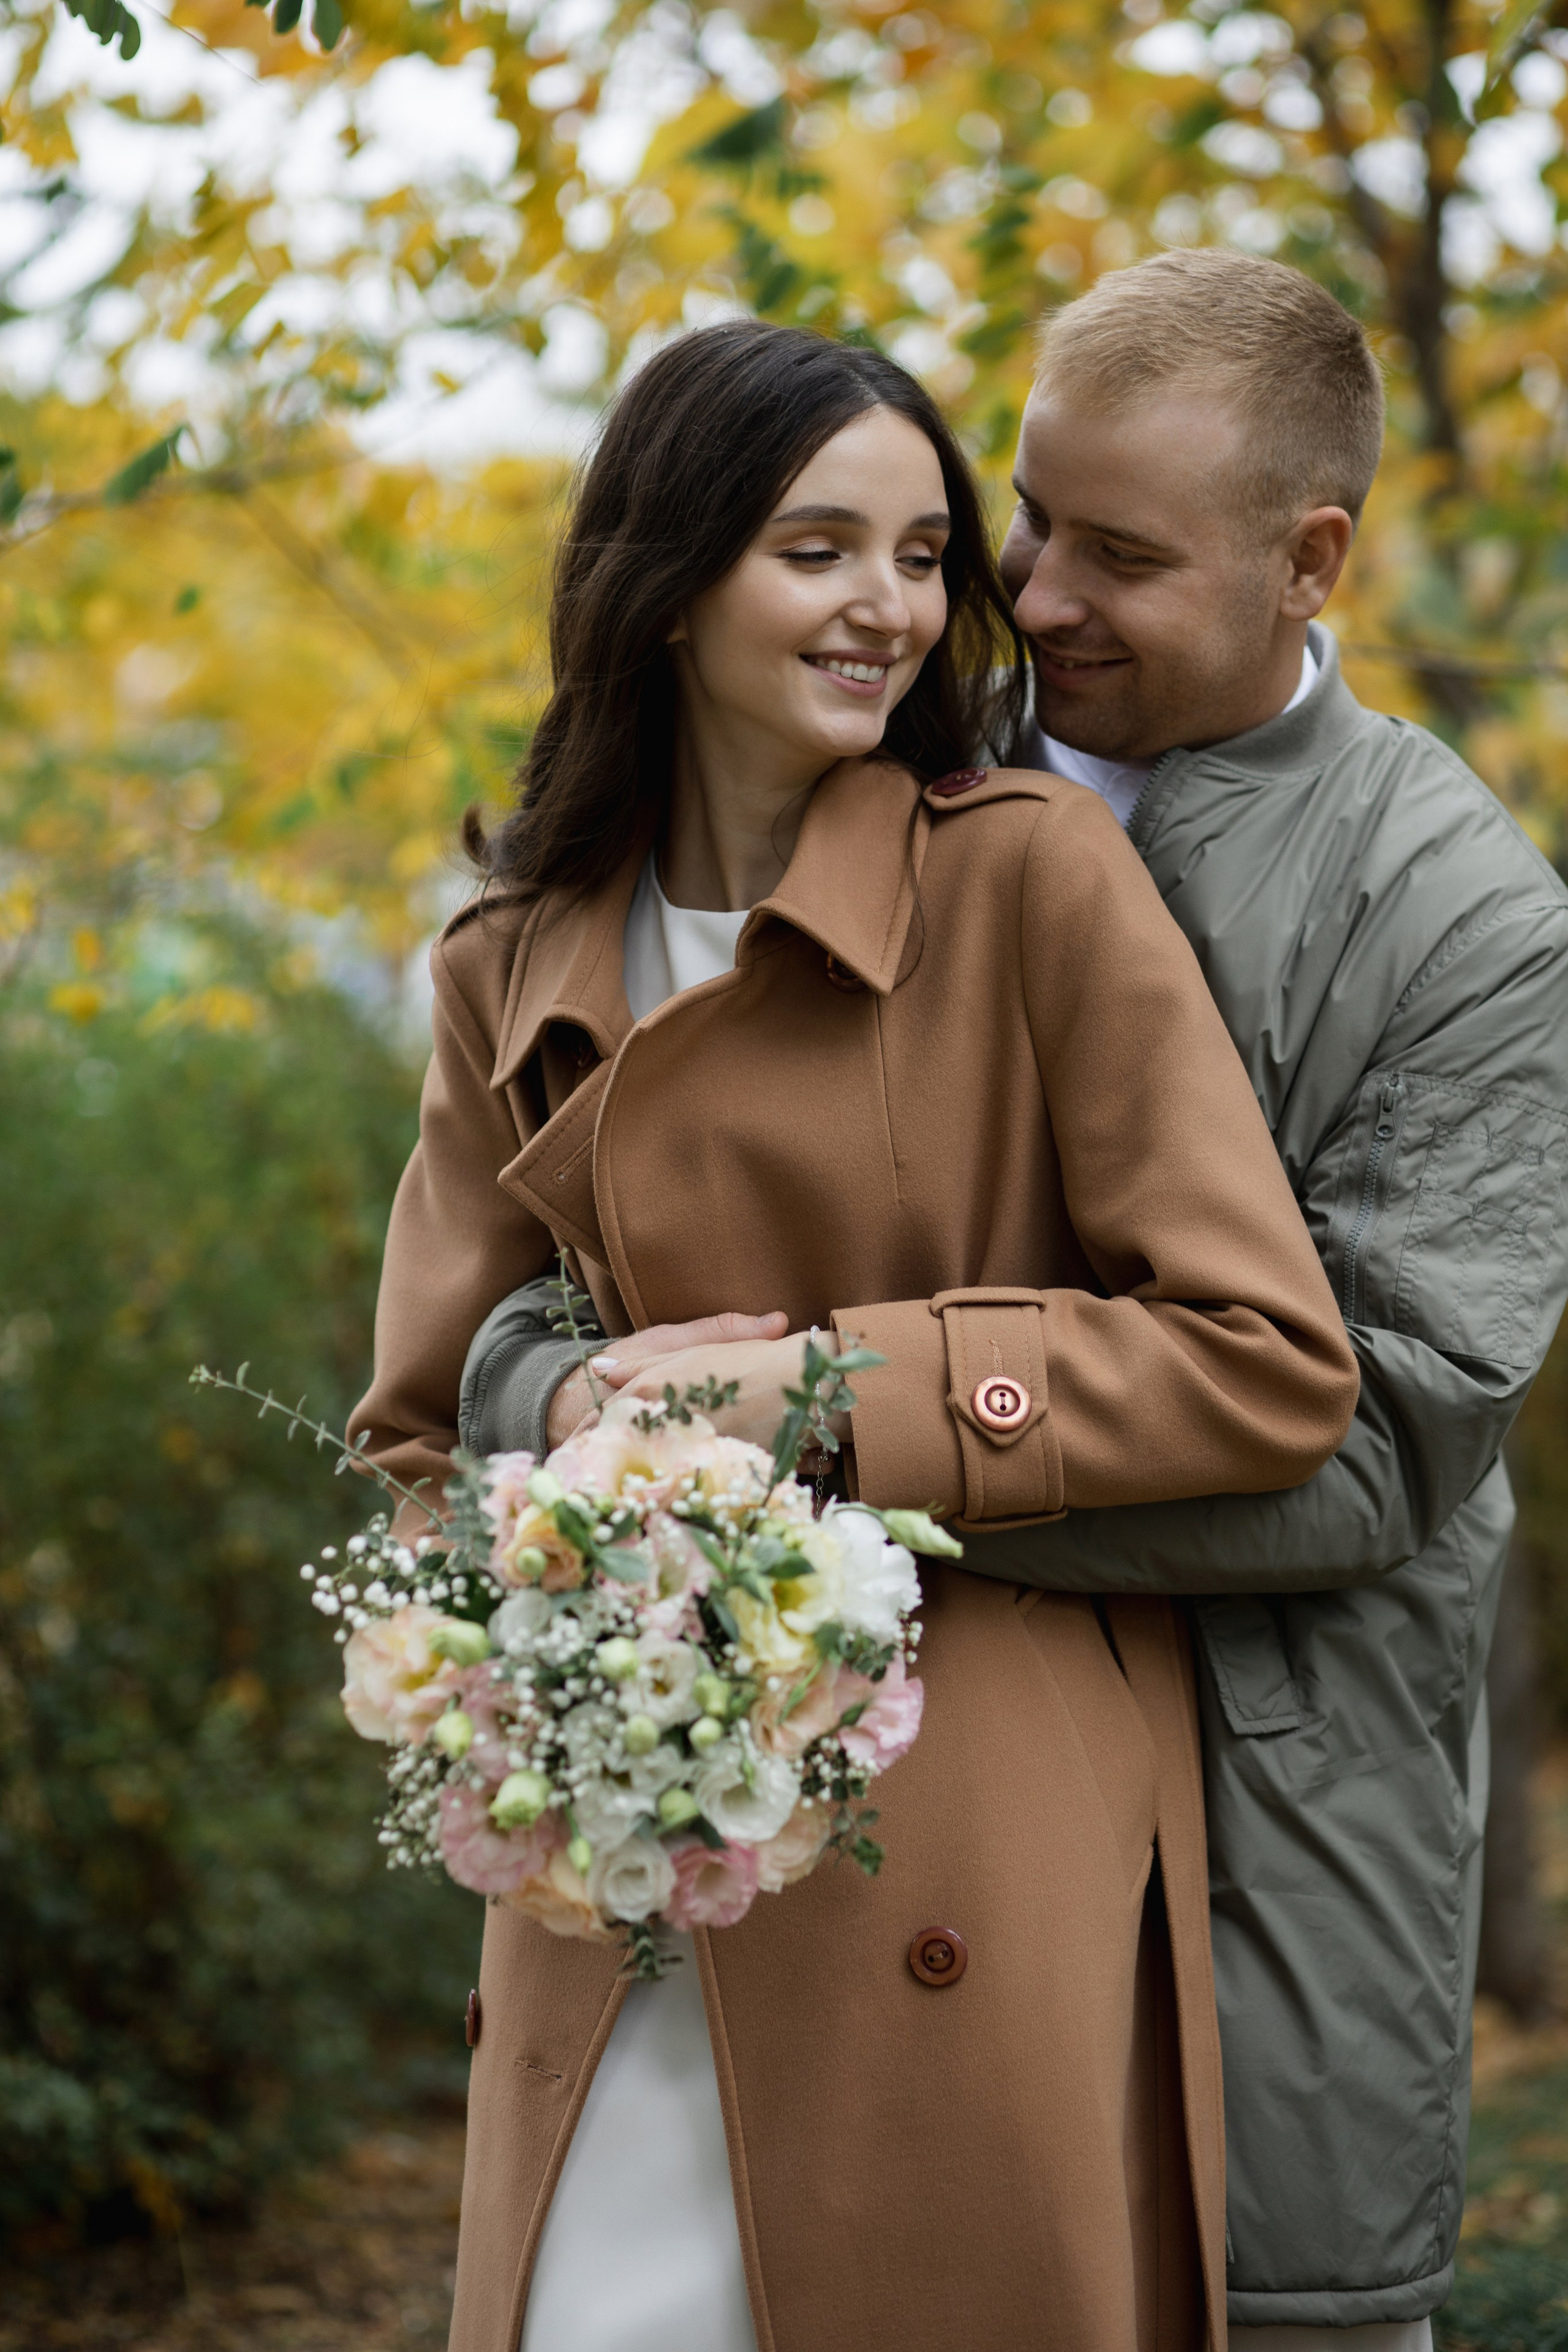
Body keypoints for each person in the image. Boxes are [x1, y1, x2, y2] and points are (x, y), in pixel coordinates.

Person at [461, 257, 1568, 2351]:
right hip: (838, 1833)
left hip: (1271, 1843)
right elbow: (591, 1286)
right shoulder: (887, 768)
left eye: (1122, 557)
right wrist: (590, 1406)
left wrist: (806, 1451)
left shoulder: (1465, 923)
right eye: (1028, 525)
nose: (1035, 597)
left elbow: (1371, 1435)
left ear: (1309, 562)